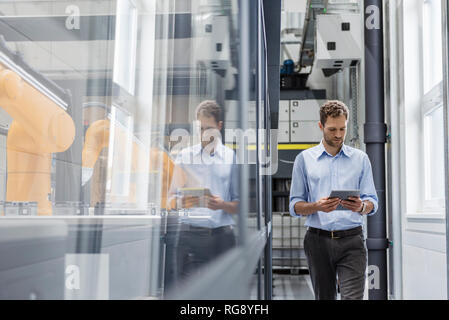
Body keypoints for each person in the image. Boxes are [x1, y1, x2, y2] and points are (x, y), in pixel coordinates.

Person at [289, 100, 378, 300]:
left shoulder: (361, 159)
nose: (338, 135)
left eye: (342, 129)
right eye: (332, 129)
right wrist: (316, 206)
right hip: (317, 241)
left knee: (353, 297)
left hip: (352, 240)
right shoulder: (304, 160)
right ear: (321, 126)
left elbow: (373, 201)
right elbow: (295, 206)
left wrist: (362, 206)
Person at [165, 100, 239, 290]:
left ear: (220, 126)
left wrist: (222, 205)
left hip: (222, 238)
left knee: (224, 292)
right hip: (189, 237)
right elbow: (170, 199)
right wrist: (182, 202)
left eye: (209, 128)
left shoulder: (230, 157)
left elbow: (239, 204)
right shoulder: (184, 156)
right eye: (201, 128)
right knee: (187, 293)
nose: (204, 133)